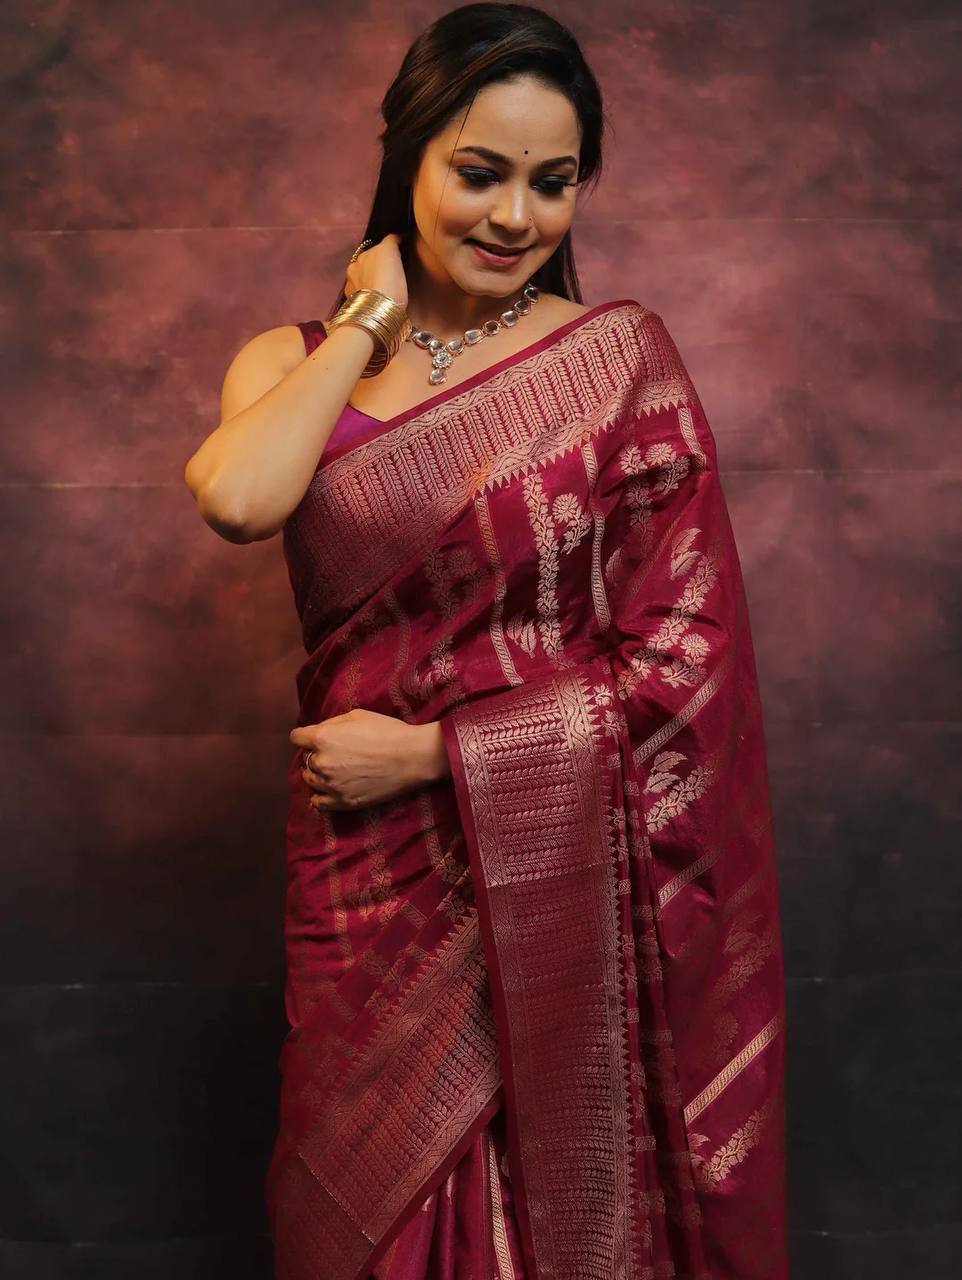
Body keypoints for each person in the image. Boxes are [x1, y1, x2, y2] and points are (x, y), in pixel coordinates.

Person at [183, 4, 788, 1277]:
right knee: (356, 1209)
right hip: (359, 884)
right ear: (406, 155)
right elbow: (238, 498)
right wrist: (366, 321)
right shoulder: (292, 360)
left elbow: (680, 667)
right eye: (477, 172)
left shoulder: (613, 362)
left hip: (546, 866)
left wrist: (431, 756)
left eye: (552, 182)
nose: (515, 216)